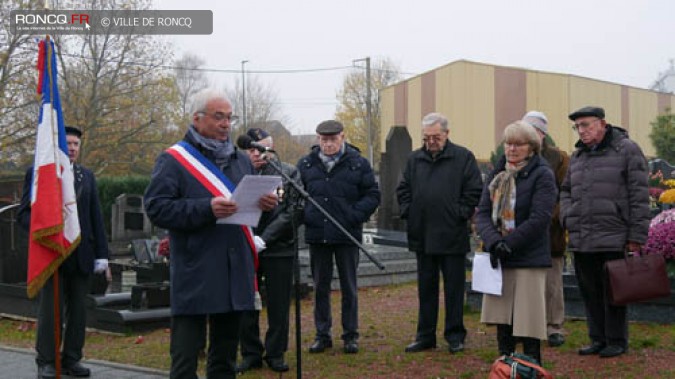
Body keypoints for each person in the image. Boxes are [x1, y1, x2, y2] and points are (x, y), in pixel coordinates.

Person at [143, 90, 278, 379]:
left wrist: (264, 204)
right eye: (219, 117)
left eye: (230, 117)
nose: (226, 124)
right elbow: (157, 208)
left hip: (234, 269)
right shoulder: (174, 160)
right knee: (185, 359)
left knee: (225, 360)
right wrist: (207, 208)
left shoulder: (240, 160)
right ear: (197, 118)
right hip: (197, 267)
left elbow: (244, 208)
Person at [17, 126, 110, 379]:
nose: (72, 148)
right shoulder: (39, 174)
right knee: (51, 312)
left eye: (76, 145)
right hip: (53, 254)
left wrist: (103, 255)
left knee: (79, 312)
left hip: (81, 254)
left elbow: (95, 217)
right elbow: (24, 214)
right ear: (58, 146)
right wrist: (46, 232)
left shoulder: (86, 176)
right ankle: (46, 361)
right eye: (67, 143)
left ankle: (72, 358)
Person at [560, 106, 650, 358]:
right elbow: (565, 190)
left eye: (586, 125)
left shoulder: (627, 149)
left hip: (614, 235)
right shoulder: (578, 156)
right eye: (577, 127)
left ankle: (616, 340)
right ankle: (597, 338)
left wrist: (636, 236)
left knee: (614, 291)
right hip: (582, 236)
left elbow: (639, 195)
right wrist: (568, 214)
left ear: (602, 124)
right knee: (589, 291)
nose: (582, 131)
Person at [396, 112, 483, 354]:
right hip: (422, 234)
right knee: (426, 289)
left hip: (452, 234)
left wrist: (460, 213)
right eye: (426, 137)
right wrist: (410, 211)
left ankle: (455, 335)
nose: (431, 141)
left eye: (436, 136)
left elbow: (474, 189)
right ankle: (425, 336)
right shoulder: (414, 160)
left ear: (446, 134)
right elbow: (402, 189)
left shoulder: (463, 157)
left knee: (454, 289)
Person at [476, 121, 557, 365]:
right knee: (504, 320)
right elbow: (482, 212)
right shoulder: (497, 173)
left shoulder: (542, 174)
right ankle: (506, 365)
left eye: (518, 144)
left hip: (528, 257)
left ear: (531, 147)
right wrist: (493, 242)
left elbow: (540, 218)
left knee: (528, 322)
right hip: (500, 258)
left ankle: (530, 367)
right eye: (508, 143)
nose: (511, 149)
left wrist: (509, 243)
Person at [297, 120, 380, 354]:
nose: (328, 144)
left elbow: (372, 195)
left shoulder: (358, 163)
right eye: (324, 140)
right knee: (320, 287)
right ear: (317, 139)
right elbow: (295, 196)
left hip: (347, 234)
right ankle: (322, 335)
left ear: (342, 137)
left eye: (333, 139)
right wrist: (307, 215)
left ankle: (350, 335)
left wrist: (354, 216)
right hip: (318, 235)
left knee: (349, 287)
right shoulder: (305, 164)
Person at [235, 128, 303, 373]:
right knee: (246, 304)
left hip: (279, 247)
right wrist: (248, 238)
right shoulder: (236, 172)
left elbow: (294, 210)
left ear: (270, 148)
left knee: (279, 305)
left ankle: (276, 353)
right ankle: (250, 352)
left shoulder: (288, 172)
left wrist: (265, 239)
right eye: (251, 149)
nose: (256, 154)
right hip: (244, 245)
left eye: (260, 148)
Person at [522, 111, 570, 348]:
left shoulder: (559, 159)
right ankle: (529, 326)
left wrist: (545, 219)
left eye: (533, 130)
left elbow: (566, 194)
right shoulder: (518, 155)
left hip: (550, 233)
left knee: (552, 285)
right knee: (525, 284)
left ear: (542, 133)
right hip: (522, 234)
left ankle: (554, 327)